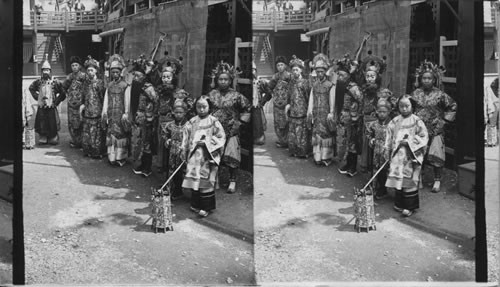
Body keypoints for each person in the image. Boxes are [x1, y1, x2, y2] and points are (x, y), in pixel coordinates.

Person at [411, 60, 456, 193]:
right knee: (418, 153)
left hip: (436, 128)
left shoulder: (440, 94)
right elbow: (409, 107)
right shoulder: (415, 93)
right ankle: (418, 176)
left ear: (434, 79)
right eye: (424, 78)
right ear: (420, 79)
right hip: (419, 129)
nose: (426, 80)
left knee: (437, 155)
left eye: (429, 78)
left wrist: (444, 122)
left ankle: (437, 179)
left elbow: (452, 107)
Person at [207, 61, 251, 193]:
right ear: (217, 80)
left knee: (232, 156)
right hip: (214, 130)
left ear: (230, 80)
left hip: (231, 130)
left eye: (226, 79)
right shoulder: (211, 94)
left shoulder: (236, 96)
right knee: (214, 155)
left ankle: (232, 180)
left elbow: (247, 109)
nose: (223, 82)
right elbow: (204, 108)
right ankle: (215, 179)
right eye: (220, 79)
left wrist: (240, 124)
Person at [384, 94, 429, 217]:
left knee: (409, 181)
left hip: (411, 157)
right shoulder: (394, 121)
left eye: (407, 106)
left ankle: (409, 206)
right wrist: (388, 149)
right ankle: (399, 203)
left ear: (412, 106)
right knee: (399, 180)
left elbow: (424, 136)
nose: (404, 109)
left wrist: (409, 142)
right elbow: (389, 136)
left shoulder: (417, 121)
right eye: (401, 106)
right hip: (397, 156)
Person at [181, 97, 226, 217]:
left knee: (206, 181)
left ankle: (206, 207)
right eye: (198, 107)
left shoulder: (213, 121)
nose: (201, 109)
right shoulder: (192, 122)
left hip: (207, 157)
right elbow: (185, 137)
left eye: (204, 107)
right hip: (194, 157)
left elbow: (221, 137)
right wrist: (185, 149)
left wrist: (207, 143)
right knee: (195, 181)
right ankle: (195, 204)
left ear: (209, 107)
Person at [358, 51, 396, 173]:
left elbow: (393, 106)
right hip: (365, 123)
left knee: (377, 150)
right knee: (367, 147)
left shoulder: (383, 92)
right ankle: (369, 172)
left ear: (377, 77)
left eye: (372, 76)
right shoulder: (362, 91)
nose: (369, 79)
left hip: (379, 125)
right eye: (367, 76)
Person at [156, 59, 193, 172]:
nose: (165, 79)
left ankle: (174, 168)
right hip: (161, 121)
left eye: (168, 77)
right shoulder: (159, 91)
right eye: (163, 77)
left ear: (173, 78)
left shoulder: (179, 92)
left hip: (174, 123)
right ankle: (164, 167)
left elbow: (189, 106)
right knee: (162, 144)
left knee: (173, 146)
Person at [335, 54, 364, 176]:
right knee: (347, 141)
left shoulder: (353, 88)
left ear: (348, 75)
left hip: (352, 118)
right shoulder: (343, 86)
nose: (339, 77)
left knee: (352, 142)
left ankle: (353, 167)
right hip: (344, 116)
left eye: (342, 75)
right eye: (339, 75)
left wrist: (357, 115)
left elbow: (361, 100)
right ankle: (348, 163)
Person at [131, 59, 159, 177]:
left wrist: (151, 113)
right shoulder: (137, 86)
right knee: (141, 141)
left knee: (147, 142)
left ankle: (147, 167)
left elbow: (156, 99)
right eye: (135, 75)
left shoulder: (148, 87)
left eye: (138, 75)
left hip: (147, 118)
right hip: (140, 117)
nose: (135, 78)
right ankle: (142, 164)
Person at [102, 54, 131, 166]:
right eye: (113, 72)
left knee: (120, 134)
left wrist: (126, 113)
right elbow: (106, 99)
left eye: (117, 72)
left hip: (120, 115)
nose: (115, 74)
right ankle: (111, 156)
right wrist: (104, 112)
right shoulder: (109, 85)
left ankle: (120, 157)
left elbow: (127, 100)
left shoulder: (125, 85)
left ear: (120, 73)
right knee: (111, 134)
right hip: (110, 114)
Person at [29, 60, 66, 145]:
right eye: (44, 70)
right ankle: (43, 136)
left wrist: (56, 102)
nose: (46, 72)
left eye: (47, 70)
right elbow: (31, 88)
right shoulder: (38, 81)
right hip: (42, 106)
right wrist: (37, 97)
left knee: (52, 122)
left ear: (50, 71)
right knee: (42, 121)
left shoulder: (55, 81)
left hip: (51, 107)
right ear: (42, 71)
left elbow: (63, 93)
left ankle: (53, 137)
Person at [161, 99, 188, 200]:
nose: (178, 115)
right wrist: (167, 139)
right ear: (173, 112)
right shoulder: (170, 125)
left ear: (185, 113)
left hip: (183, 152)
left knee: (181, 171)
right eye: (176, 112)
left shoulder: (188, 125)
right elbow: (164, 133)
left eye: (180, 112)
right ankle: (170, 188)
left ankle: (180, 190)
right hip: (172, 151)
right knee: (171, 169)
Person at [80, 56, 106, 159]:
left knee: (96, 133)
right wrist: (82, 106)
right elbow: (83, 96)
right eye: (88, 70)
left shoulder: (100, 83)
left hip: (97, 112)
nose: (90, 72)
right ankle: (88, 150)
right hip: (87, 112)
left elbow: (103, 97)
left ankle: (97, 152)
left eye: (92, 70)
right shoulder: (85, 84)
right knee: (87, 132)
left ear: (95, 71)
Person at [263, 56, 292, 148]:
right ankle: (281, 140)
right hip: (277, 104)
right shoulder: (275, 77)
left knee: (286, 121)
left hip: (286, 103)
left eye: (281, 65)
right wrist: (272, 94)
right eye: (278, 65)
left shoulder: (289, 76)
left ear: (285, 66)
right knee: (278, 122)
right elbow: (269, 87)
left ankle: (287, 140)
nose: (280, 67)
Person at [286, 55, 311, 158]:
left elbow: (308, 97)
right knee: (292, 133)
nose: (295, 72)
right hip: (292, 112)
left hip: (302, 112)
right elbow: (289, 96)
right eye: (293, 70)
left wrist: (308, 110)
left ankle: (302, 152)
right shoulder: (291, 83)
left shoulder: (305, 83)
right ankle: (293, 150)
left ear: (301, 70)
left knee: (302, 133)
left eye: (297, 69)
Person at [365, 98, 391, 199]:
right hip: (376, 151)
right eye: (379, 112)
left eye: (384, 112)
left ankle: (383, 189)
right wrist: (371, 139)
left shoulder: (391, 125)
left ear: (388, 112)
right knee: (375, 168)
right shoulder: (374, 124)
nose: (381, 114)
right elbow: (368, 133)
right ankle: (373, 187)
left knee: (384, 170)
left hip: (386, 151)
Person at [63, 56, 87, 148]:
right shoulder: (69, 77)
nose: (74, 67)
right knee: (72, 123)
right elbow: (63, 87)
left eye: (76, 65)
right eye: (73, 65)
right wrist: (67, 95)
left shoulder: (84, 76)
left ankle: (82, 141)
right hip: (71, 104)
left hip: (81, 103)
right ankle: (75, 141)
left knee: (81, 122)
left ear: (79, 66)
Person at [252, 61, 268, 145]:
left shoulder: (260, 82)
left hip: (257, 106)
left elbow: (269, 92)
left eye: (253, 70)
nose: (252, 72)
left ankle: (259, 138)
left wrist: (263, 101)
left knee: (258, 123)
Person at [484, 78, 499, 147]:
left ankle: (492, 141)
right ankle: (491, 141)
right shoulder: (489, 86)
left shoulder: (488, 87)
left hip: (493, 106)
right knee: (490, 125)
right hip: (492, 106)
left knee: (491, 125)